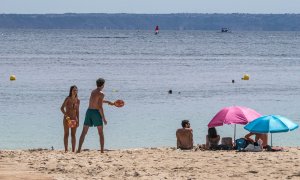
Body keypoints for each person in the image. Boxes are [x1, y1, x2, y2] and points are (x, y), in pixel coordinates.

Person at [77, 78, 113, 153]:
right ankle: (102, 151)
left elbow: (96, 100)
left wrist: (107, 101)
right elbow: (100, 106)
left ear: (96, 84)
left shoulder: (93, 91)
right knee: (100, 133)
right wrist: (104, 118)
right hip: (96, 113)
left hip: (89, 112)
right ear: (103, 85)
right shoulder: (102, 94)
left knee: (84, 132)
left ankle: (79, 150)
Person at [60, 85, 80, 152]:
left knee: (73, 135)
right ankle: (66, 150)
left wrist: (78, 120)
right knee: (66, 134)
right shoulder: (68, 99)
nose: (75, 91)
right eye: (74, 90)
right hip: (67, 119)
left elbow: (77, 111)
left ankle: (73, 150)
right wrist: (66, 115)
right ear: (71, 91)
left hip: (74, 119)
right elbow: (62, 108)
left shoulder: (78, 100)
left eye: (76, 90)